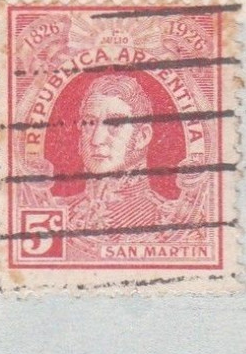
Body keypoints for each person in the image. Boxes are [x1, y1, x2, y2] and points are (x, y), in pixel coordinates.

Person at [64, 73, 175, 237]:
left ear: (142, 137)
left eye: (115, 124)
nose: (96, 140)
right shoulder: (62, 213)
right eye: (90, 123)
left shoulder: (168, 221)